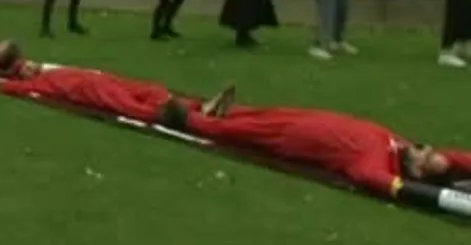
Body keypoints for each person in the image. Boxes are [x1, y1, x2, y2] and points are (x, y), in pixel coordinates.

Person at [161, 99, 471, 197]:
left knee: (240, 132)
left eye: (424, 155)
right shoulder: (397, 145)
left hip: (297, 138)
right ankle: (211, 109)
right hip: (308, 118)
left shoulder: (377, 163)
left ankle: (188, 119)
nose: (423, 148)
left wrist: (403, 188)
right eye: (426, 148)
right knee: (257, 114)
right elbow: (455, 159)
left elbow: (371, 178)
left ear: (416, 171)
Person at [0, 62, 233, 124]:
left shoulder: (51, 70)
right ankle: (185, 116)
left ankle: (198, 107)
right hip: (92, 90)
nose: (30, 66)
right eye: (25, 69)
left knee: (152, 89)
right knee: (132, 107)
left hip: (102, 79)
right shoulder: (40, 84)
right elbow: (12, 87)